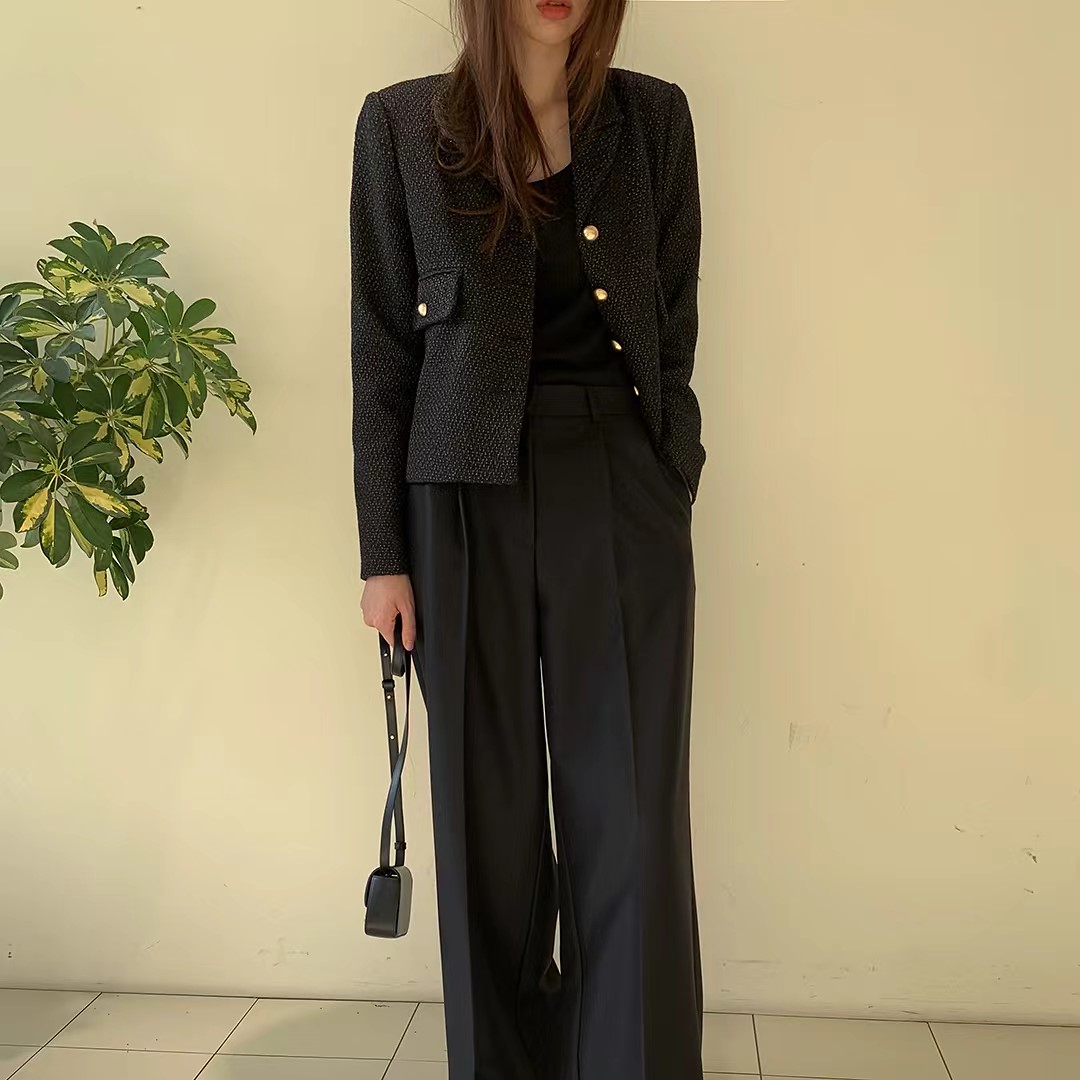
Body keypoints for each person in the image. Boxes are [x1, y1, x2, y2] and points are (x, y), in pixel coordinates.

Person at [349, 0, 706, 1075]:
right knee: (487, 818)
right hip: (459, 495)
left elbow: (674, 319)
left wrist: (672, 468)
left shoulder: (653, 119)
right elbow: (382, 353)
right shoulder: (401, 125)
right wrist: (383, 554)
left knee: (629, 811)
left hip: (621, 483)